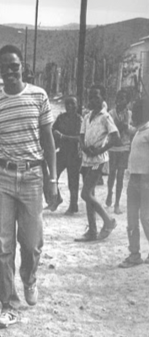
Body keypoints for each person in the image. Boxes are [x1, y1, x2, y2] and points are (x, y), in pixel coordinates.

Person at [0, 45, 57, 329]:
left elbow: (48, 140)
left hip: (33, 177)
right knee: (3, 245)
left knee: (32, 242)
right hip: (2, 176)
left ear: (22, 66)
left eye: (14, 66)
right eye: (4, 66)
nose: (10, 71)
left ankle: (29, 276)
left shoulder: (39, 96)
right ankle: (8, 304)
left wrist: (51, 180)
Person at [75, 84, 121, 242]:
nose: (93, 100)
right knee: (90, 196)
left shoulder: (105, 117)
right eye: (91, 96)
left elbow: (116, 138)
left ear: (103, 99)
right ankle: (92, 230)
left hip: (98, 160)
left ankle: (109, 221)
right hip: (86, 159)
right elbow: (81, 135)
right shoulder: (87, 116)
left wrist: (99, 151)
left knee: (85, 193)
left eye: (96, 97)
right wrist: (83, 146)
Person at [118, 98, 149, 268]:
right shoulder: (139, 131)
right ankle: (134, 253)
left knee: (145, 218)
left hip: (145, 180)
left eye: (136, 111)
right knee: (131, 219)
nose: (133, 114)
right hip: (134, 179)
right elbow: (128, 129)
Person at [45, 96, 83, 214]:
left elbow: (80, 138)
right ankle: (56, 199)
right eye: (67, 104)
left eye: (73, 104)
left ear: (77, 105)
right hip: (62, 152)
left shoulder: (80, 120)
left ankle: (73, 205)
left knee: (73, 181)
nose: (70, 106)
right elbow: (52, 131)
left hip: (74, 154)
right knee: (51, 176)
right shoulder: (61, 118)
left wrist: (62, 137)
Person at [106, 89, 135, 214]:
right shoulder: (110, 113)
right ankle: (109, 193)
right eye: (118, 98)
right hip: (113, 147)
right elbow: (108, 128)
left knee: (120, 175)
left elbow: (134, 130)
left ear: (127, 101)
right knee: (112, 173)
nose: (120, 101)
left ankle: (117, 203)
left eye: (123, 99)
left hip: (124, 147)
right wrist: (117, 127)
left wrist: (126, 127)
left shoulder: (130, 114)